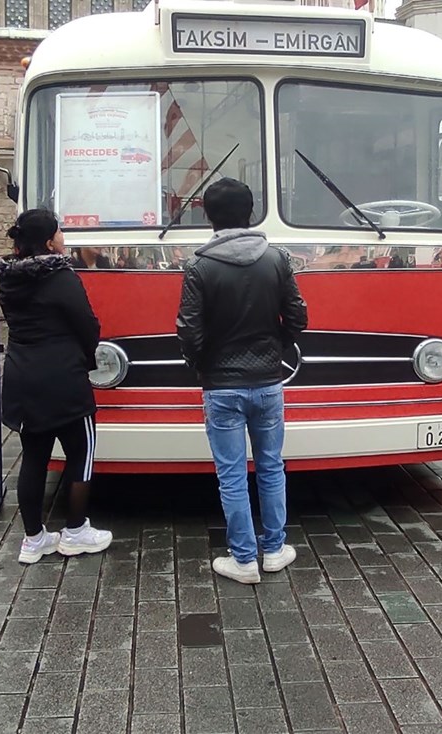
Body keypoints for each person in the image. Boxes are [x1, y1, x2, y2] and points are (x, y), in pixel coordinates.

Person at [177, 178, 308, 584]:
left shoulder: (199, 267)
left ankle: (243, 559)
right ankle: (274, 549)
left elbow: (189, 331)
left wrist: (201, 364)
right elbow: (299, 318)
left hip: (221, 385)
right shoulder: (277, 259)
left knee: (231, 474)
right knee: (271, 467)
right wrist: (276, 346)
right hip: (269, 383)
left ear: (209, 216)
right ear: (250, 211)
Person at [0, 209, 113, 564]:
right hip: (64, 381)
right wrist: (86, 360)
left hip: (21, 377)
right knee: (80, 454)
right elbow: (87, 326)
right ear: (49, 241)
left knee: (34, 458)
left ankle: (33, 540)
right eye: (59, 231)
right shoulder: (62, 278)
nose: (63, 237)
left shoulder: (8, 279)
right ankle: (75, 531)